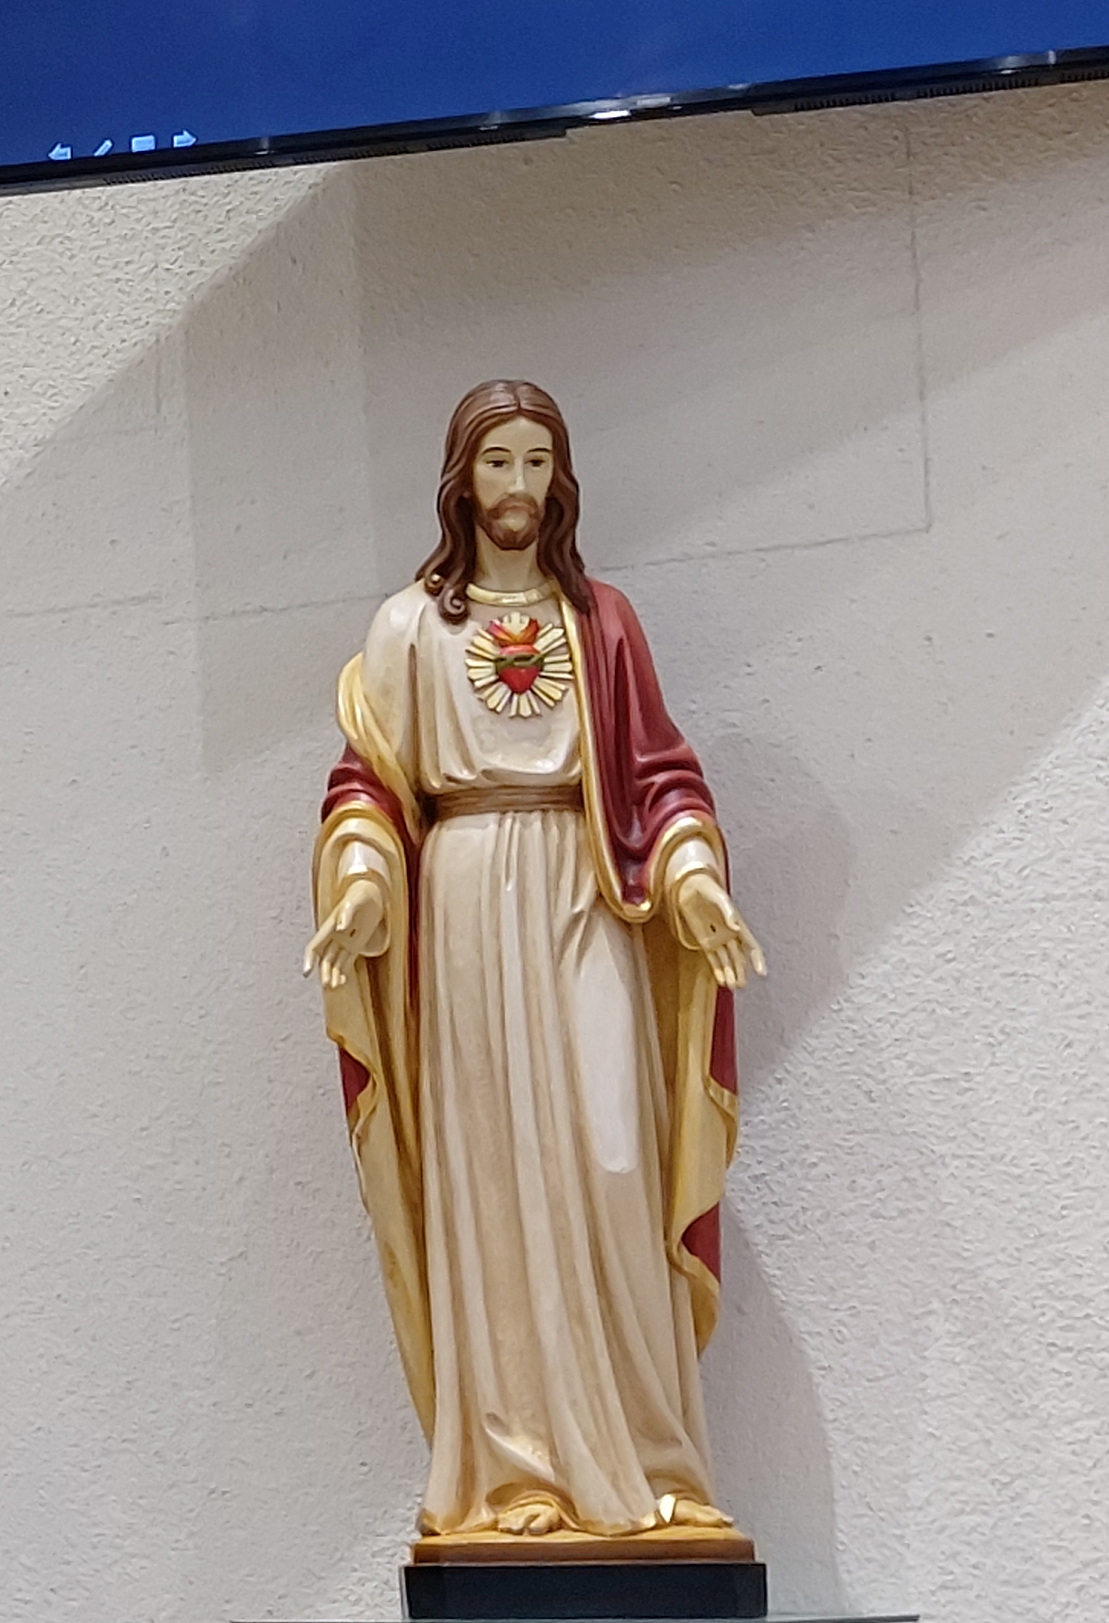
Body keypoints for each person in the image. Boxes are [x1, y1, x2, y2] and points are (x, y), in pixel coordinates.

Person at [305, 381, 768, 1548]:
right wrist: (363, 888)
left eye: (537, 461)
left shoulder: (599, 621)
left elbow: (658, 775)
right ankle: (517, 1476)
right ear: (461, 479)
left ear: (561, 478)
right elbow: (370, 787)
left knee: (615, 1157)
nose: (519, 485)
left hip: (584, 891)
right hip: (463, 901)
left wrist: (694, 881)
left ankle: (652, 1458)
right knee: (494, 1182)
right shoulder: (411, 629)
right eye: (498, 462)